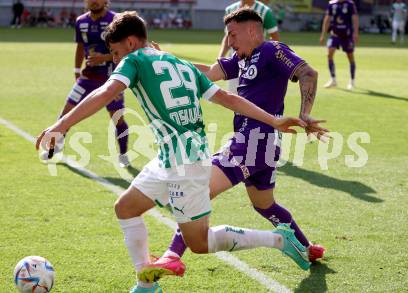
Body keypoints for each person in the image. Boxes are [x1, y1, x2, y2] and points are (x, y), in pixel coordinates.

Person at [36, 11, 324, 293]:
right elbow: (223, 92)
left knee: (199, 236)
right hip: (175, 156)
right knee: (127, 207)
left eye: (115, 52)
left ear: (132, 44)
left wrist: (61, 125)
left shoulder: (135, 60)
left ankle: (273, 240)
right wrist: (273, 119)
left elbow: (105, 92)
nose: (114, 59)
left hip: (211, 154)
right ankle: (146, 284)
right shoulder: (199, 63)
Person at [139, 8, 327, 282]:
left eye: (233, 34)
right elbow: (208, 72)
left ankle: (172, 255)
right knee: (265, 204)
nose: (230, 41)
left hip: (253, 141)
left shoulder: (273, 50)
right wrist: (165, 60)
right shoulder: (241, 60)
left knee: (198, 190)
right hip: (260, 146)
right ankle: (308, 249)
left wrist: (305, 112)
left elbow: (308, 72)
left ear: (252, 31)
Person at [43, 0, 130, 167]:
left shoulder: (116, 21)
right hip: (88, 77)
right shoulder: (81, 21)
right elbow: (80, 46)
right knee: (66, 113)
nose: (94, 1)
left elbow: (125, 50)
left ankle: (123, 154)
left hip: (112, 78)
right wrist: (76, 70)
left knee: (117, 118)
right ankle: (55, 148)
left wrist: (103, 58)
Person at [220, 0, 280, 94]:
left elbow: (275, 37)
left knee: (254, 98)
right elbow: (228, 36)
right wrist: (221, 56)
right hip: (235, 61)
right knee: (234, 98)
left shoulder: (264, 11)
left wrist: (267, 56)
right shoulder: (230, 9)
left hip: (256, 62)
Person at [320, 0, 359, 90]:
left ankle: (352, 81)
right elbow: (327, 19)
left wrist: (356, 33)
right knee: (329, 54)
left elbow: (355, 18)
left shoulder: (350, 4)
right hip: (335, 35)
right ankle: (333, 79)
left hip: (347, 36)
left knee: (350, 57)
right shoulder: (332, 4)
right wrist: (323, 34)